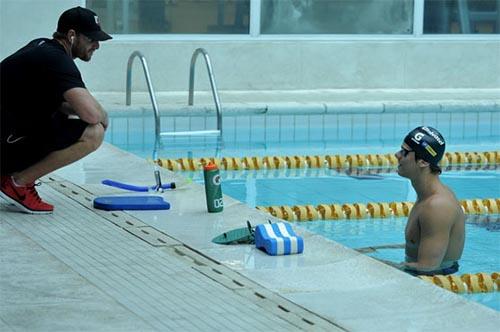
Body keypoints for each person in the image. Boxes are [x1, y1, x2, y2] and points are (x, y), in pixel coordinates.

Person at [0, 6, 112, 214]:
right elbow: (92, 114)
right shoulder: (57, 60)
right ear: (72, 36)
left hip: (8, 134)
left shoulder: (41, 47)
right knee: (94, 132)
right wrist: (104, 116)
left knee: (61, 115)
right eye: (91, 39)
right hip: (5, 142)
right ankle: (19, 184)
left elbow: (63, 104)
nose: (96, 45)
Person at [395, 126, 465, 276]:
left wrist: (376, 263)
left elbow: (427, 267)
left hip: (434, 283)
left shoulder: (436, 207)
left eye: (405, 152)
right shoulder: (427, 196)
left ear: (423, 162)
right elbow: (418, 243)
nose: (397, 155)